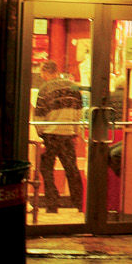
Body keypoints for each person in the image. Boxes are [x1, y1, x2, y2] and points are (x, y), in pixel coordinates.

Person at [34, 59, 84, 213]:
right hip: (68, 133)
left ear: (45, 72)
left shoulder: (44, 89)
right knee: (72, 168)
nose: (42, 76)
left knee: (46, 168)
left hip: (51, 134)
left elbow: (39, 115)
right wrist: (75, 131)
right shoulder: (73, 87)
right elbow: (79, 112)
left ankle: (52, 203)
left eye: (42, 73)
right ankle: (79, 202)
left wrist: (40, 133)